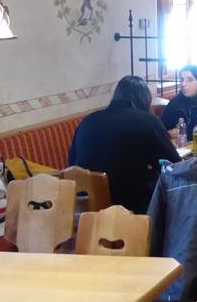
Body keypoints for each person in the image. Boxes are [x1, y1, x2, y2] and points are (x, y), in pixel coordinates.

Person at [68, 76, 180, 214]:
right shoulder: (147, 121)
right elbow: (172, 165)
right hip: (128, 205)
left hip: (86, 206)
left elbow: (71, 162)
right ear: (145, 98)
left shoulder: (89, 120)